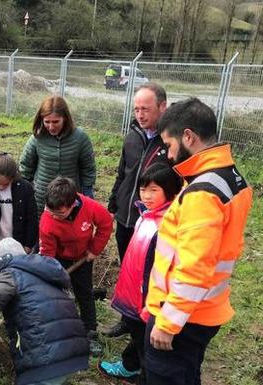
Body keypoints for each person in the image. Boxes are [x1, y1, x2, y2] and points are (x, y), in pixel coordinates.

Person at [145, 98, 252, 385]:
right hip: (204, 308)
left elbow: (195, 265)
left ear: (188, 136)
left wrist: (168, 324)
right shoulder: (230, 177)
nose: (167, 155)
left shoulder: (202, 192)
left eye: (169, 145)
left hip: (183, 316)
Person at [98, 163, 182, 383]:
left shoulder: (167, 225)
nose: (146, 195)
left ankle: (144, 374)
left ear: (171, 191)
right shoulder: (146, 216)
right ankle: (129, 365)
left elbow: (160, 269)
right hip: (133, 292)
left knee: (148, 349)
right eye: (143, 189)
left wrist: (149, 303)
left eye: (154, 190)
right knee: (138, 334)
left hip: (146, 299)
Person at [0, 238, 89, 385]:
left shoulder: (11, 275)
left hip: (45, 360)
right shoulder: (45, 269)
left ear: (0, 267)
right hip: (73, 349)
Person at [106, 83, 168, 337]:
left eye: (146, 109)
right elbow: (123, 171)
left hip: (154, 223)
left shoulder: (170, 141)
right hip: (127, 217)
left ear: (162, 107)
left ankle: (148, 320)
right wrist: (114, 200)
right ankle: (127, 319)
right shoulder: (132, 134)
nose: (140, 115)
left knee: (150, 273)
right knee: (128, 270)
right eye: (136, 109)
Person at [38, 177, 113, 356]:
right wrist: (52, 273)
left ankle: (90, 332)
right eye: (51, 210)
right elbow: (47, 253)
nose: (54, 215)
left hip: (83, 258)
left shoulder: (89, 206)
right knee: (58, 296)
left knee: (85, 293)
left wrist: (94, 250)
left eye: (59, 213)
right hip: (59, 259)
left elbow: (105, 224)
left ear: (72, 205)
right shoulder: (47, 220)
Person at [20, 96, 96, 214]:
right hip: (41, 200)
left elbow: (88, 169)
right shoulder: (37, 138)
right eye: (47, 122)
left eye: (56, 122)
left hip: (70, 202)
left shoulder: (81, 138)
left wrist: (88, 196)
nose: (51, 126)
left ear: (65, 118)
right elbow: (25, 168)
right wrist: (25, 193)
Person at [0, 153, 38, 287]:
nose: (1, 187)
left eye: (6, 184)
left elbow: (32, 218)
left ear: (13, 178)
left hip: (17, 243)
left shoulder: (25, 188)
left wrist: (28, 244)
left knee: (17, 281)